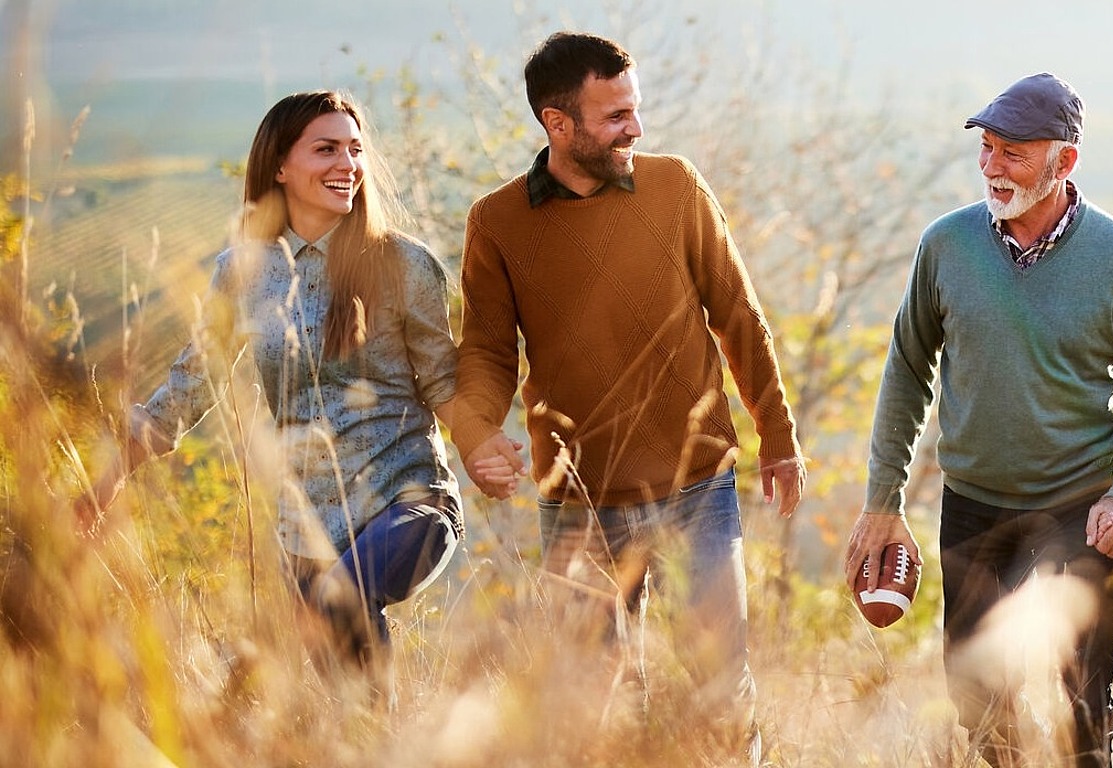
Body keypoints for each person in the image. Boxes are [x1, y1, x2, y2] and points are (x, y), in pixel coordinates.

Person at [444, 29, 805, 754]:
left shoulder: (675, 186)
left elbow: (738, 314)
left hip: (696, 484)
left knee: (717, 686)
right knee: (587, 700)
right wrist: (477, 433)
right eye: (615, 117)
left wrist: (778, 433)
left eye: (635, 110)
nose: (635, 128)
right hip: (579, 498)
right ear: (557, 123)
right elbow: (486, 348)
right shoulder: (498, 221)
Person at [843, 72, 1113, 767]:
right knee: (974, 689)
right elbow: (907, 369)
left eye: (1013, 153)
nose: (992, 168)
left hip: (1080, 504)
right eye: (988, 148)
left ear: (1065, 161)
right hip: (974, 502)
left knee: (1082, 694)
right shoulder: (945, 245)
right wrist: (884, 500)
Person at [82, 90, 464, 672]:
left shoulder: (404, 263)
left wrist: (488, 447)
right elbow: (192, 385)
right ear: (281, 165)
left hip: (408, 498)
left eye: (356, 150)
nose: (348, 165)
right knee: (340, 686)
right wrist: (102, 488)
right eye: (327, 149)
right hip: (305, 523)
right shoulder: (242, 270)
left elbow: (444, 382)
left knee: (343, 600)